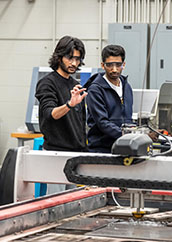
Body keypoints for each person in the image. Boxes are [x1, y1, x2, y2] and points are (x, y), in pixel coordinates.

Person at [35, 36, 88, 194]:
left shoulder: (74, 85)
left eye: (78, 59)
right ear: (59, 57)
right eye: (69, 57)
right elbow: (50, 114)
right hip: (56, 153)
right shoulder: (47, 83)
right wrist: (69, 105)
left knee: (71, 201)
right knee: (56, 203)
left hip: (75, 154)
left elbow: (80, 123)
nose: (74, 63)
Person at [85, 45, 133, 153]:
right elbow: (102, 123)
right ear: (103, 65)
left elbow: (128, 118)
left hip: (124, 146)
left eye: (118, 65)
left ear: (123, 65)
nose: (114, 69)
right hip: (102, 148)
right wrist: (127, 135)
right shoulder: (95, 90)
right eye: (109, 65)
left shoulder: (126, 87)